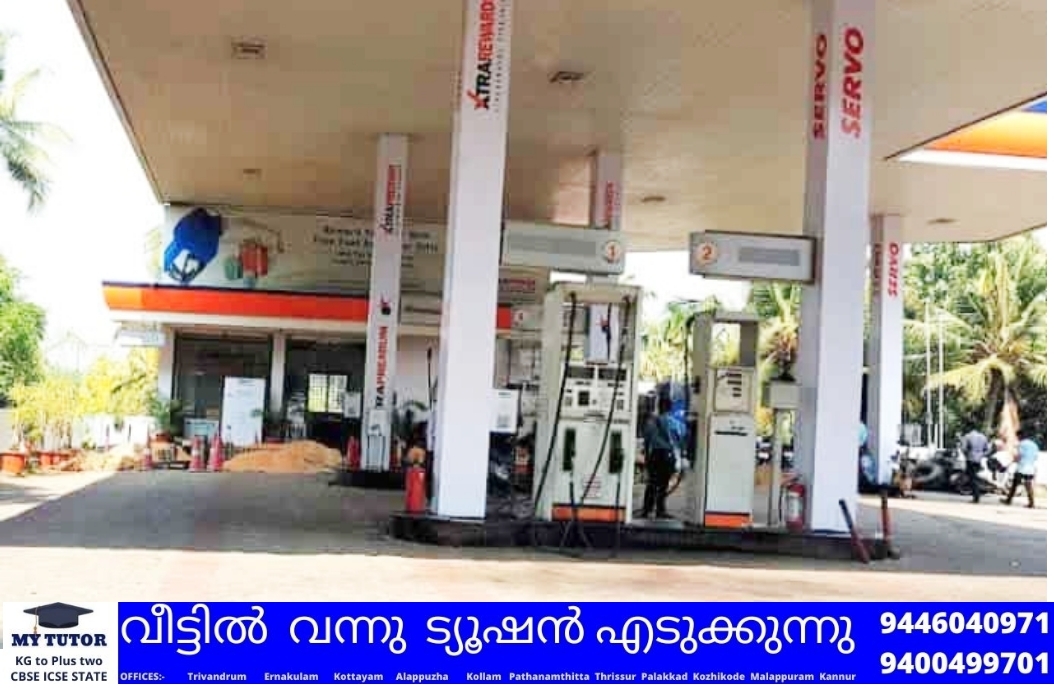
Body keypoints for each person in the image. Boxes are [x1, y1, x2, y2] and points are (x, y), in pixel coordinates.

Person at [639, 395, 681, 520]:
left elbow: (646, 441)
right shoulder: (672, 421)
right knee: (663, 485)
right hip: (666, 455)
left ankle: (646, 510)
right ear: (670, 407)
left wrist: (647, 457)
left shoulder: (650, 422)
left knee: (651, 483)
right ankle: (660, 511)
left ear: (659, 406)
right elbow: (677, 439)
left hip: (654, 454)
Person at [1004, 429, 1039, 509]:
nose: (1017, 438)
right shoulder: (1034, 445)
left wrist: (1011, 462)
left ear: (1020, 436)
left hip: (1022, 467)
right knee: (1028, 485)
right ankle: (1031, 503)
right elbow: (1035, 457)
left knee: (1015, 484)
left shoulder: (1022, 444)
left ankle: (1008, 500)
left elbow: (1019, 456)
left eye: (1017, 436)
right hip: (1030, 468)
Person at [959, 428, 989, 503]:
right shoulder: (983, 437)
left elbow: (963, 448)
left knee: (972, 478)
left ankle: (976, 497)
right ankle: (976, 495)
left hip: (970, 459)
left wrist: (966, 455)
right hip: (979, 460)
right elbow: (987, 449)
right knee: (975, 477)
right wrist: (981, 455)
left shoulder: (967, 436)